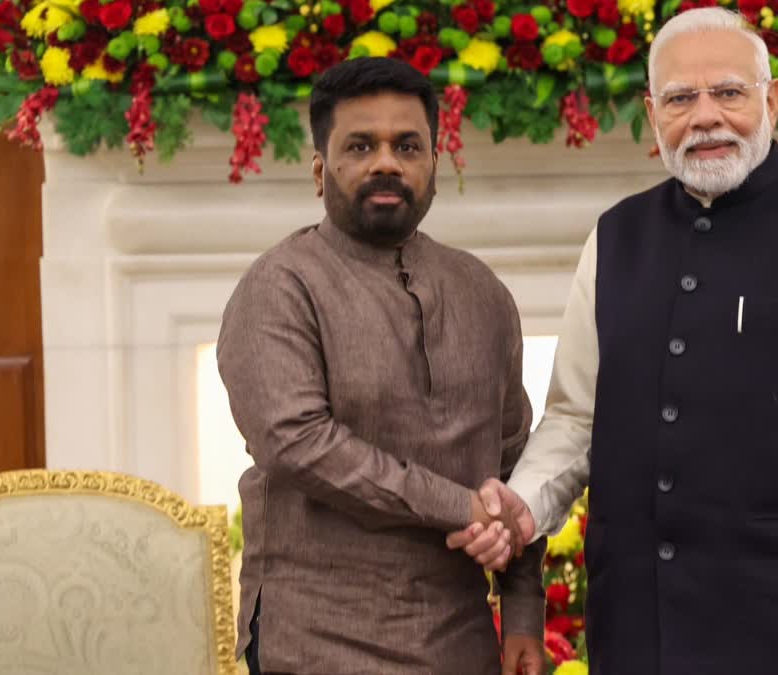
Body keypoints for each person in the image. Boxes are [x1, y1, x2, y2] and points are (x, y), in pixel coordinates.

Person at [448, 8, 778, 675]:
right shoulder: (614, 239)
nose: (706, 116)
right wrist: (526, 505)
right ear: (653, 114)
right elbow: (575, 417)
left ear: (771, 99)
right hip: (638, 634)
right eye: (681, 98)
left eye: (730, 93)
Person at [217, 57, 544, 675]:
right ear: (320, 170)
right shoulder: (280, 286)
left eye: (408, 146)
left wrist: (524, 614)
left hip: (460, 637)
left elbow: (514, 460)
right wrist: (461, 507)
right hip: (317, 639)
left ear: (433, 169)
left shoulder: (482, 292)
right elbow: (298, 443)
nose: (386, 162)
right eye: (360, 146)